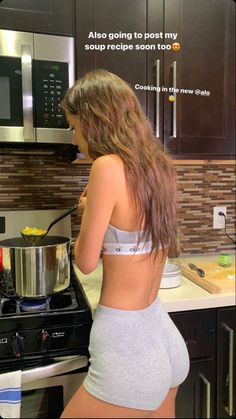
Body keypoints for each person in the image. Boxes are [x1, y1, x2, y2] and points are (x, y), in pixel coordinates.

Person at [60, 70, 190, 419]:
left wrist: (89, 215)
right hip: (162, 336)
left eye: (74, 126)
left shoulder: (105, 167)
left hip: (126, 345)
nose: (75, 137)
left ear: (94, 120)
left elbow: (86, 261)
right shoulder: (161, 167)